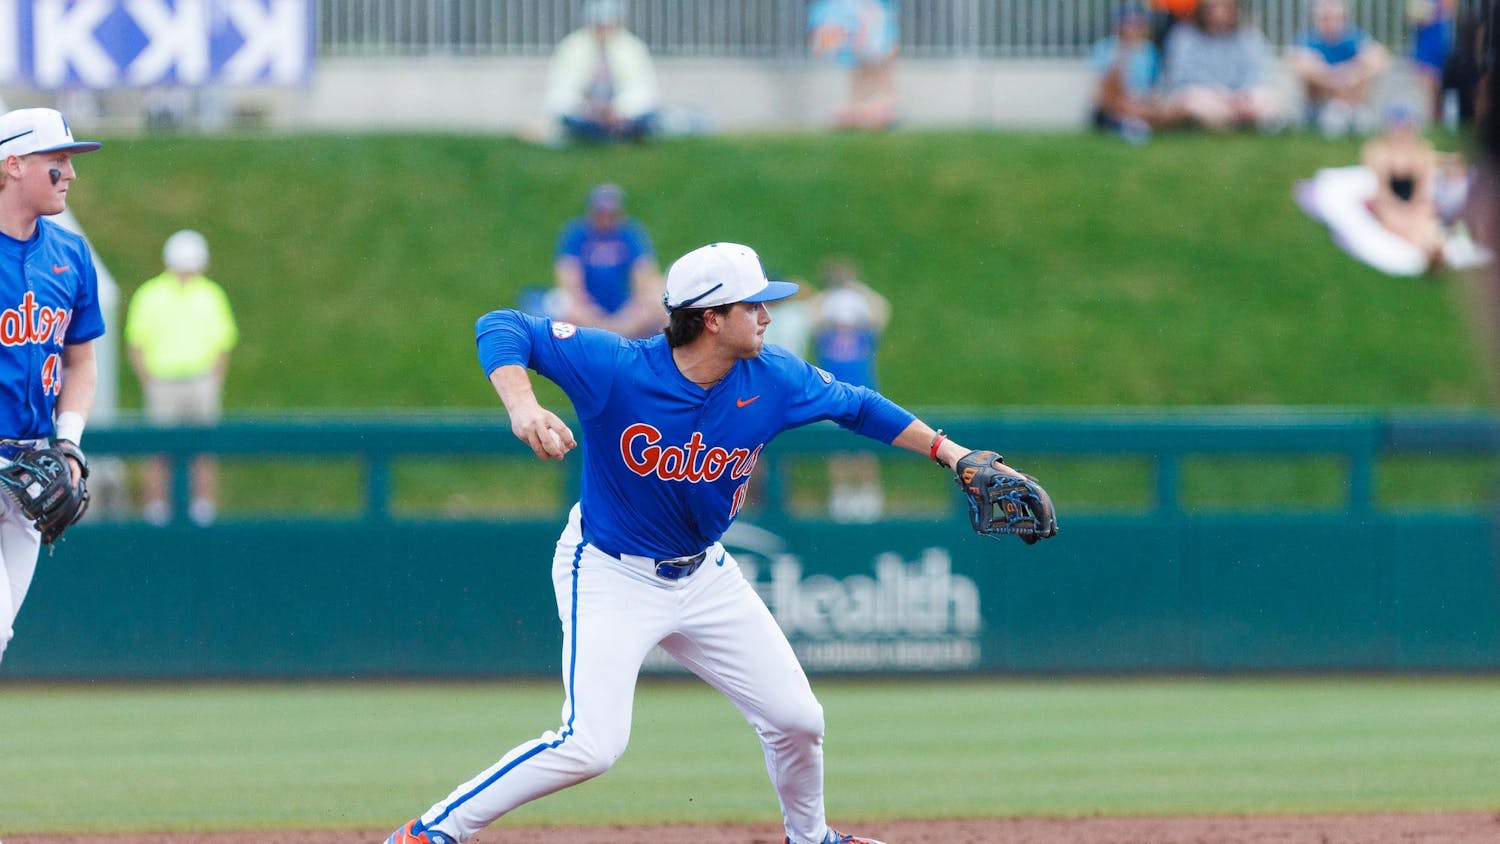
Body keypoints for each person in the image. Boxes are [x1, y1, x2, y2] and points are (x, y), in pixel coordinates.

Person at [385, 242, 1054, 844]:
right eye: (754, 304)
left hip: (706, 576)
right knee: (591, 745)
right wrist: (523, 405)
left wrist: (955, 455)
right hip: (613, 572)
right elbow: (500, 327)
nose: (768, 315)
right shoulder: (616, 366)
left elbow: (858, 406)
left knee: (797, 719)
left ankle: (811, 838)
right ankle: (431, 832)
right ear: (711, 316)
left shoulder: (775, 376)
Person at [0, 108, 104, 667]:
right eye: (56, 161)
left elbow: (81, 363)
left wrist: (68, 442)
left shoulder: (70, 254)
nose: (70, 174)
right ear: (12, 165)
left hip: (32, 467)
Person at [124, 229, 238, 526]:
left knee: (204, 447)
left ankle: (204, 508)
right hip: (163, 381)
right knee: (159, 449)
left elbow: (223, 343)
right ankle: (156, 509)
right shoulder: (151, 294)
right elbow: (136, 344)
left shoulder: (211, 294)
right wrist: (149, 380)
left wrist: (214, 380)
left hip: (201, 380)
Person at [809, 258, 890, 522]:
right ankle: (841, 495)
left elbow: (881, 309)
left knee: (866, 446)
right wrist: (833, 289)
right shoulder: (825, 334)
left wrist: (856, 288)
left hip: (864, 392)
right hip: (834, 394)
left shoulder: (865, 334)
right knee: (838, 448)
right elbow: (814, 311)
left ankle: (868, 494)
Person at [552, 182, 664, 339]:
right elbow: (568, 276)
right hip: (587, 307)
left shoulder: (630, 233)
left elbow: (644, 274)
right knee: (563, 303)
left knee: (656, 298)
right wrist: (588, 308)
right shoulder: (577, 233)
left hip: (625, 308)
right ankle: (612, 336)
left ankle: (607, 336)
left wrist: (632, 307)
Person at [544, 0, 661, 144]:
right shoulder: (572, 47)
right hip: (586, 113)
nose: (604, 31)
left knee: (645, 115)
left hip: (620, 113)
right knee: (570, 117)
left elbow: (642, 89)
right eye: (600, 26)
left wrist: (617, 110)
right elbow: (563, 89)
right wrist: (592, 109)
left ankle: (614, 132)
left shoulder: (632, 47)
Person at [1157, 0, 1284, 131]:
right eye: (1214, 7)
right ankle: (1238, 124)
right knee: (1196, 102)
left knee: (1266, 97)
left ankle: (1241, 123)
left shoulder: (1249, 36)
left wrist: (1242, 95)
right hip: (1204, 94)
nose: (1220, 12)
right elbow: (1183, 76)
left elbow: (1258, 71)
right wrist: (1220, 93)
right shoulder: (1184, 36)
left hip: (1242, 97)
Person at [1361, 103, 1447, 270]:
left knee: (1424, 216)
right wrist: (1400, 207)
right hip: (1388, 200)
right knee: (1396, 218)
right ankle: (1426, 248)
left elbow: (1422, 190)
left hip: (1412, 200)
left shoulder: (1422, 151)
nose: (1402, 132)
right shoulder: (1379, 151)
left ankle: (1432, 245)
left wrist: (1413, 206)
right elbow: (1383, 190)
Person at [1289, 0, 1390, 139]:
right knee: (1311, 70)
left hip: (1352, 92)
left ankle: (1348, 111)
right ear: (1316, 20)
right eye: (1325, 18)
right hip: (1322, 101)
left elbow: (1379, 58)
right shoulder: (1308, 40)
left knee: (1366, 67)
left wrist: (1351, 73)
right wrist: (1333, 77)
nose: (1331, 23)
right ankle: (1338, 111)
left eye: (1335, 18)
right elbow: (1300, 64)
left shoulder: (1354, 38)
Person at [808, 0, 899, 130]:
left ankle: (881, 104)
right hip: (865, 15)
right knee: (862, 59)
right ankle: (862, 106)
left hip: (874, 14)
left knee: (878, 58)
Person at [1089, 5, 1161, 143]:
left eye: (1137, 24)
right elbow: (1100, 90)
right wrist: (1125, 52)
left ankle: (1135, 122)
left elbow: (1154, 86)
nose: (1132, 29)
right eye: (1128, 24)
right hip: (1112, 103)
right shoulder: (1104, 48)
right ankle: (1132, 122)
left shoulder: (1149, 51)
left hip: (1140, 101)